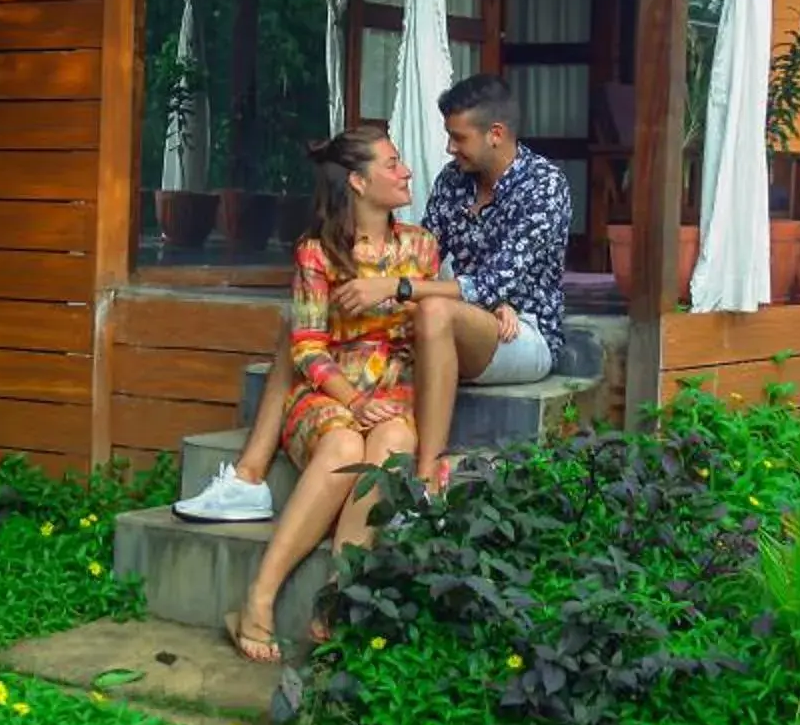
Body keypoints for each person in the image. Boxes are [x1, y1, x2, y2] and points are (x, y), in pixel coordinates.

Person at [180, 74, 571, 519]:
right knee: (302, 326)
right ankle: (247, 478)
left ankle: (426, 479)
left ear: (495, 134)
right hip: (459, 318)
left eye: (458, 137)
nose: (449, 148)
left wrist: (399, 288)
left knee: (434, 311)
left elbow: (487, 281)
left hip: (519, 333)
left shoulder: (544, 185)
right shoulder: (454, 180)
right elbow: (424, 253)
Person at [224, 127, 438, 666]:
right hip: (326, 390)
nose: (406, 171)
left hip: (394, 387)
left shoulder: (420, 246)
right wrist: (353, 401)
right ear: (359, 183)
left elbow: (427, 326)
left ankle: (338, 599)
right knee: (343, 446)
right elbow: (307, 347)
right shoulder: (316, 252)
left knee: (392, 442)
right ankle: (259, 597)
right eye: (392, 164)